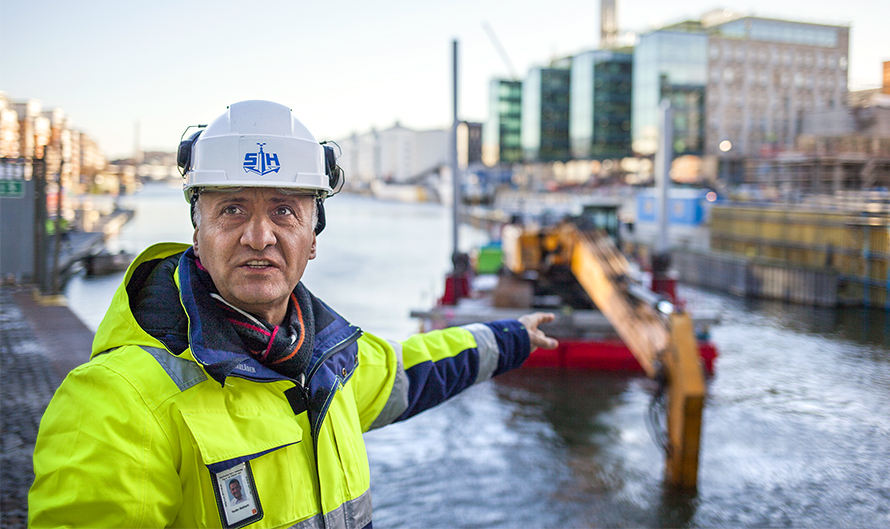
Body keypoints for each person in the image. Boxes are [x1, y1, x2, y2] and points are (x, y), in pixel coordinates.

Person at [28, 100, 557, 528]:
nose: (259, 237)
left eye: (284, 210)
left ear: (313, 238)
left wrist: (512, 336)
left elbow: (412, 370)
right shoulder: (115, 403)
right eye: (232, 209)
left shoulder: (331, 364)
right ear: (198, 231)